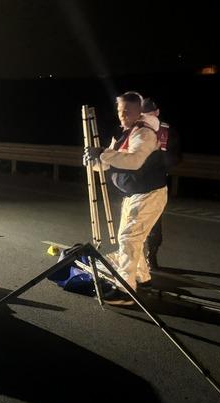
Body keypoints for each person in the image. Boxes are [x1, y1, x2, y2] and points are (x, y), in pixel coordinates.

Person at [86, 92, 168, 305]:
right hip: (133, 195)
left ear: (138, 112)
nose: (122, 115)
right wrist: (94, 160)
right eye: (120, 111)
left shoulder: (144, 133)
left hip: (149, 194)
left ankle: (125, 291)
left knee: (128, 239)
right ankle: (141, 277)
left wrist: (102, 153)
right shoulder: (125, 133)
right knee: (134, 239)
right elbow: (110, 162)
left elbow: (134, 161)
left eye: (127, 111)